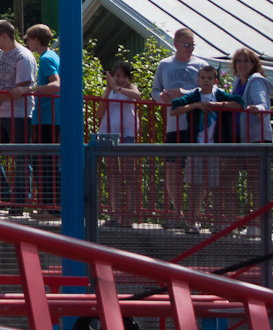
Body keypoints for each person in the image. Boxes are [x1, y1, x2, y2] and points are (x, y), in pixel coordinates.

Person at [169, 65, 243, 233]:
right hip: (196, 147)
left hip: (216, 148)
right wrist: (194, 106)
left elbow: (239, 103)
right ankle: (192, 223)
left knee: (216, 186)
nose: (206, 81)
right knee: (195, 185)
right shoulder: (194, 95)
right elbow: (174, 108)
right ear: (198, 80)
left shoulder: (219, 94)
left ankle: (217, 223)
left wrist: (217, 105)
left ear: (215, 81)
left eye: (209, 78)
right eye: (203, 78)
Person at [151, 28, 210, 228]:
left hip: (196, 125)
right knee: (172, 169)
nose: (189, 48)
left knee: (196, 171)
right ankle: (179, 214)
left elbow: (209, 90)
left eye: (192, 45)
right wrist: (162, 97)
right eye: (186, 45)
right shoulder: (164, 65)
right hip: (173, 124)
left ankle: (194, 216)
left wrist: (182, 92)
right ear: (175, 44)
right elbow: (155, 90)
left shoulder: (201, 64)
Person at [0, 20, 36, 207]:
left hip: (20, 115)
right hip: (0, 113)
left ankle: (21, 199)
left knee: (21, 158)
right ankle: (5, 192)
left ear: (4, 36)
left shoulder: (23, 56)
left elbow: (21, 90)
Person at [99, 61, 141, 226]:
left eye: (124, 76)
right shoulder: (109, 90)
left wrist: (117, 88)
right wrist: (108, 91)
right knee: (114, 175)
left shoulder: (131, 88)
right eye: (117, 75)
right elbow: (100, 112)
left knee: (129, 175)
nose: (121, 79)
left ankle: (129, 216)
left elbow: (138, 97)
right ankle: (116, 214)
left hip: (128, 135)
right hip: (110, 134)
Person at [25, 24, 61, 207]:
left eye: (29, 39)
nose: (27, 43)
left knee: (45, 163)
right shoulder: (52, 56)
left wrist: (30, 89)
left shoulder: (46, 59)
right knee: (48, 162)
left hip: (47, 117)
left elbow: (56, 85)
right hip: (52, 116)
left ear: (36, 40)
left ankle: (51, 206)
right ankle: (51, 204)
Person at [231, 47, 273, 145]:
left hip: (256, 138)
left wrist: (256, 108)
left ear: (253, 64)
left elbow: (263, 105)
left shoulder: (256, 81)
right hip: (239, 134)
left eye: (246, 61)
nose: (242, 64)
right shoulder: (237, 81)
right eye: (239, 61)